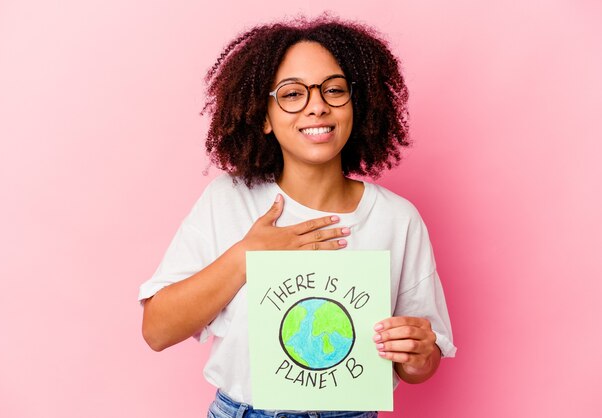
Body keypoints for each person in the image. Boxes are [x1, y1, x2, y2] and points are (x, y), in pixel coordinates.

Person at [139, 15, 456, 418]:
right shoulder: (229, 201)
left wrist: (415, 354)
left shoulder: (397, 219)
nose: (317, 105)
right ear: (264, 117)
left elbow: (421, 364)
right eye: (292, 94)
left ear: (355, 106)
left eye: (334, 90)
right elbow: (157, 331)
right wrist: (245, 256)